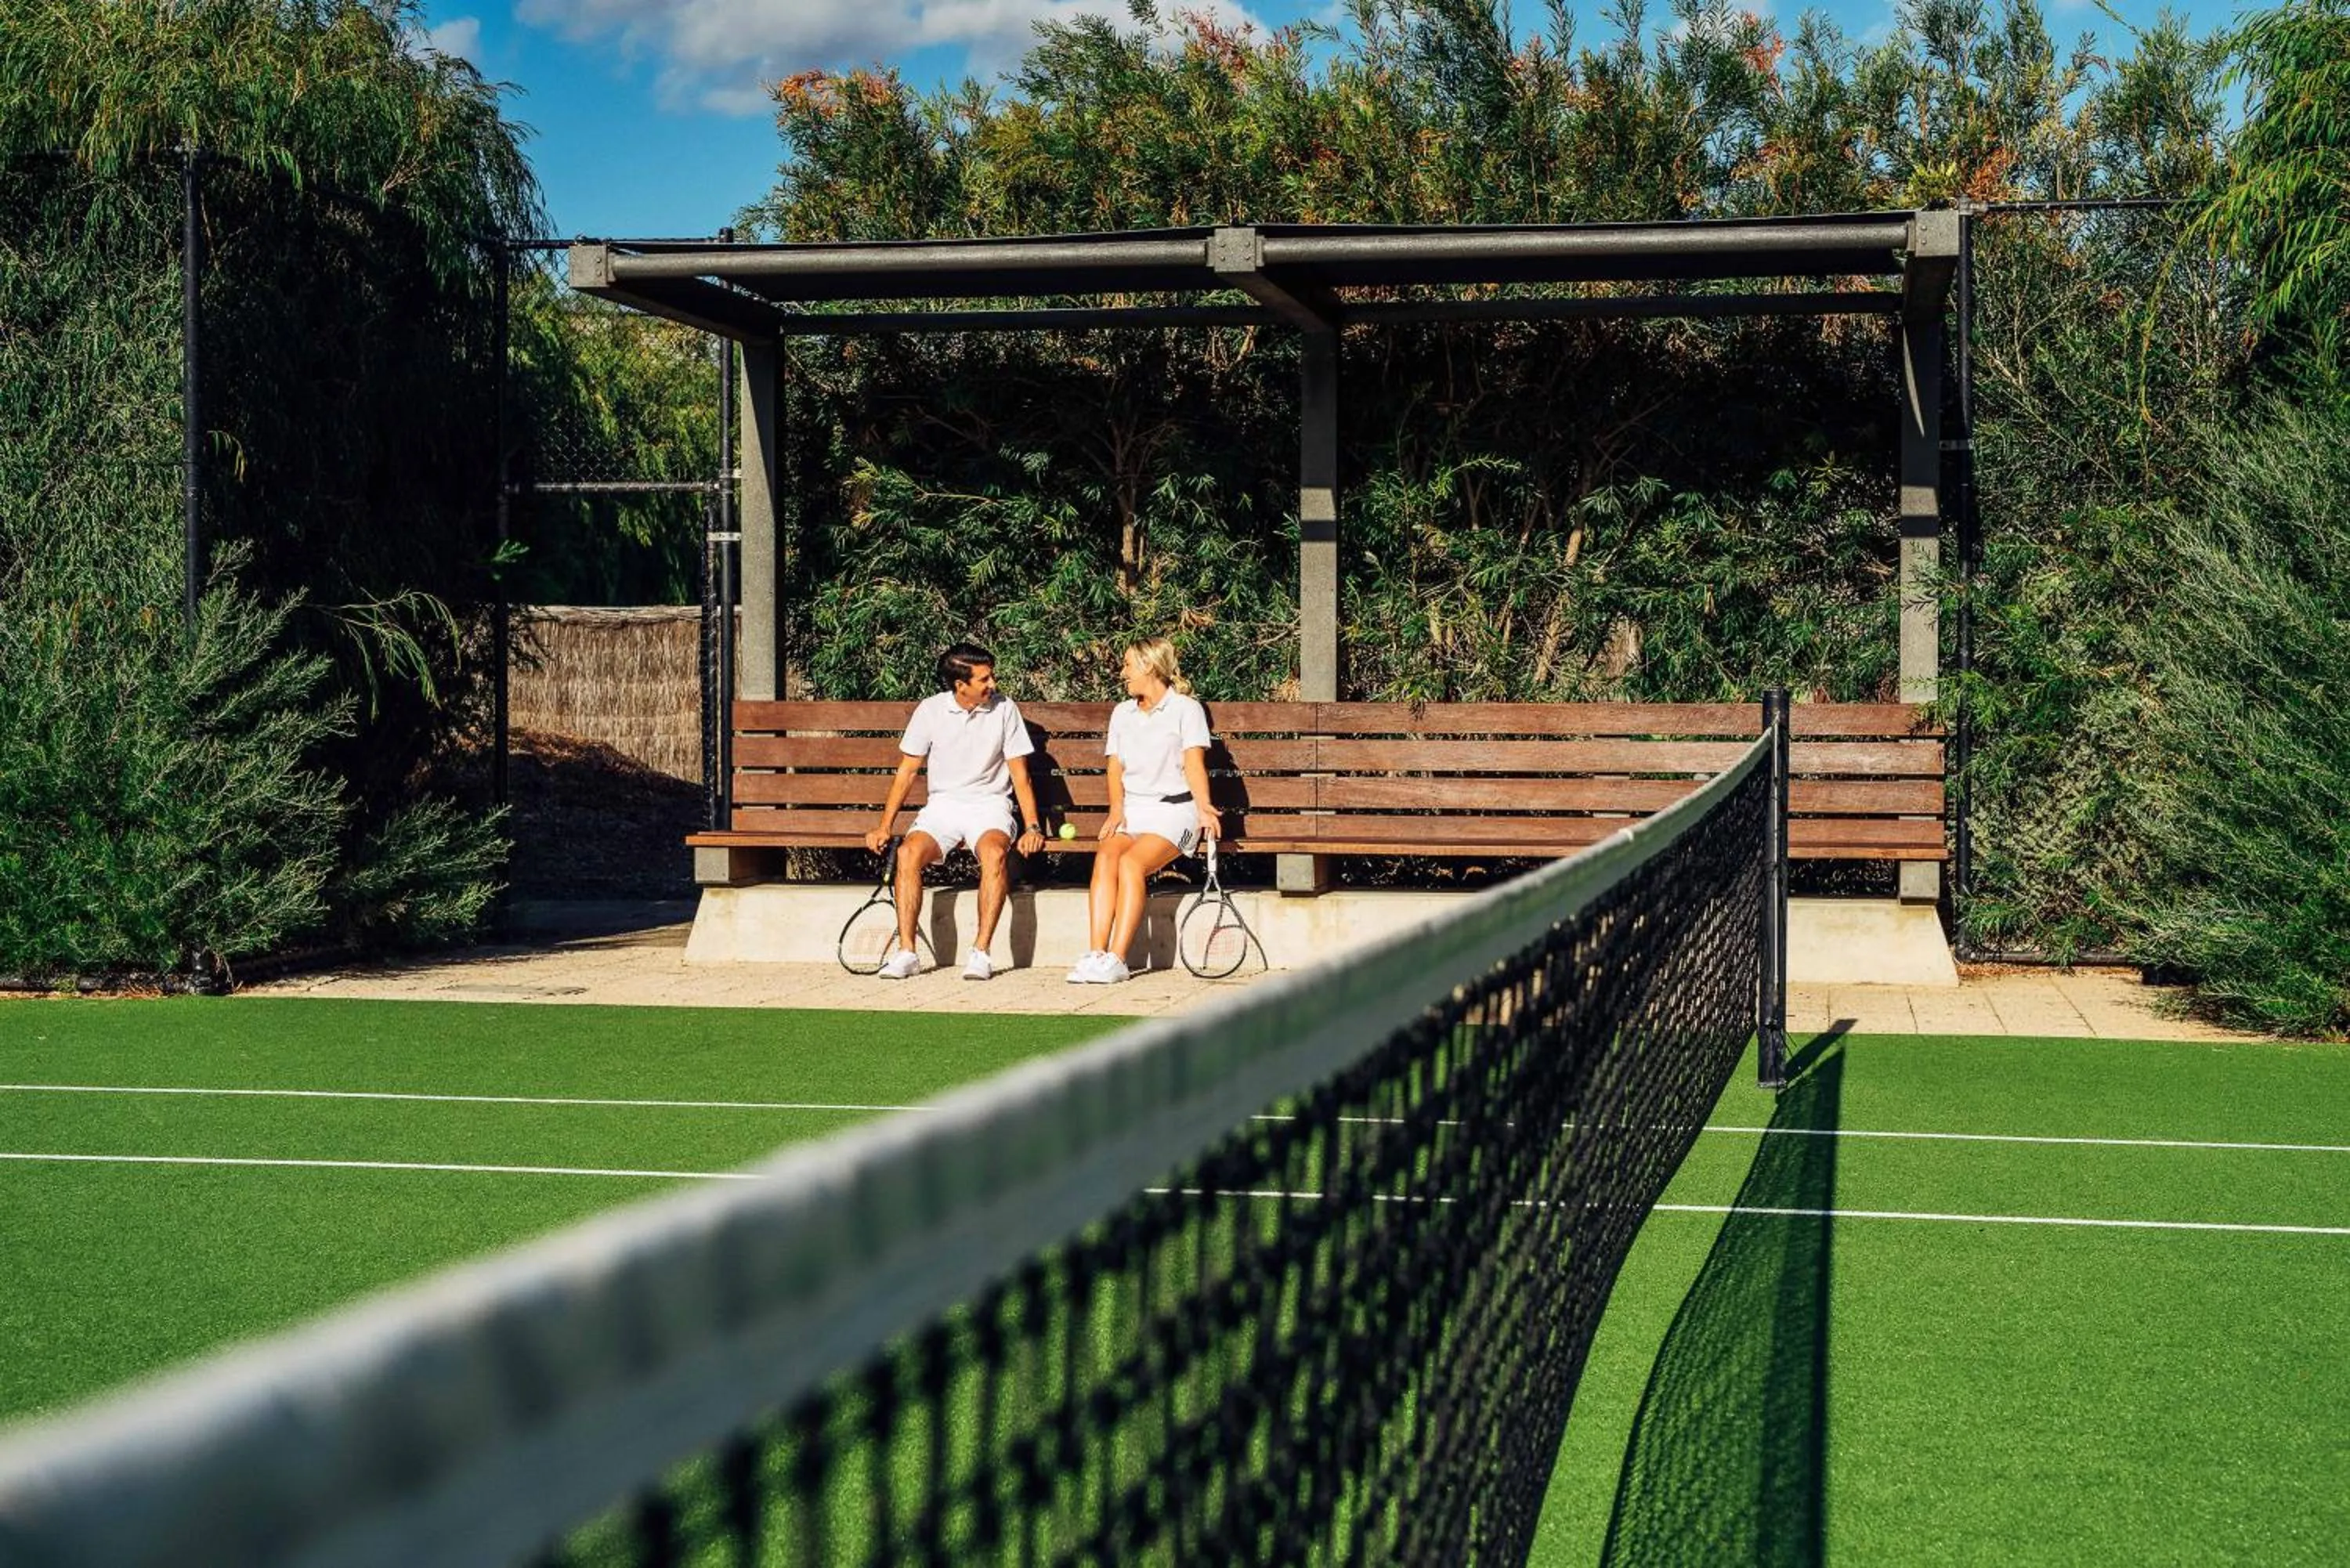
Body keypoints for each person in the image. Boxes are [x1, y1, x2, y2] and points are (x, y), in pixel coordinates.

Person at [865, 643, 1047, 979]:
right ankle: (907, 953)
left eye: (991, 676)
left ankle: (981, 953)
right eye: (984, 679)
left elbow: (1020, 775)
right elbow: (907, 772)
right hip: (942, 806)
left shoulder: (1006, 709)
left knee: (993, 853)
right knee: (907, 854)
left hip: (990, 804)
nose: (992, 684)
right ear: (959, 685)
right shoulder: (930, 710)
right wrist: (883, 826)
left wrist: (1033, 827)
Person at [1068, 637, 1220, 984]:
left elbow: (1194, 764)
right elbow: (1114, 767)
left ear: (1148, 667)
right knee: (1107, 855)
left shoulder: (1186, 709)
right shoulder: (1122, 713)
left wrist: (1204, 809)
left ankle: (1118, 960)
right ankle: (1096, 955)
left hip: (1176, 813)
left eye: (1127, 665)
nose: (1122, 673)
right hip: (1134, 811)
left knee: (1131, 863)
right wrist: (1116, 809)